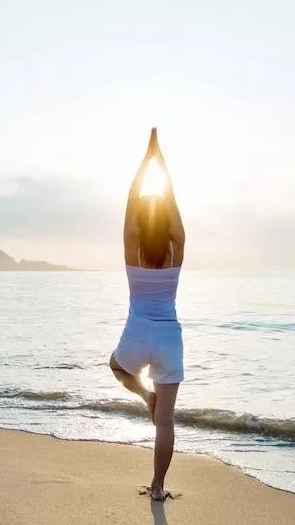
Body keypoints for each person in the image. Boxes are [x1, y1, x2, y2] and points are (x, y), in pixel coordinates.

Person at [109, 127, 186, 502]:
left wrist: (147, 158)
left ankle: (144, 396)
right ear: (168, 224)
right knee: (166, 423)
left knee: (118, 367)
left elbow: (130, 199)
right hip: (169, 334)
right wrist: (164, 162)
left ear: (140, 221)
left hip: (138, 328)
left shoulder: (130, 246)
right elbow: (170, 201)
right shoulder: (177, 248)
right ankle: (157, 488)